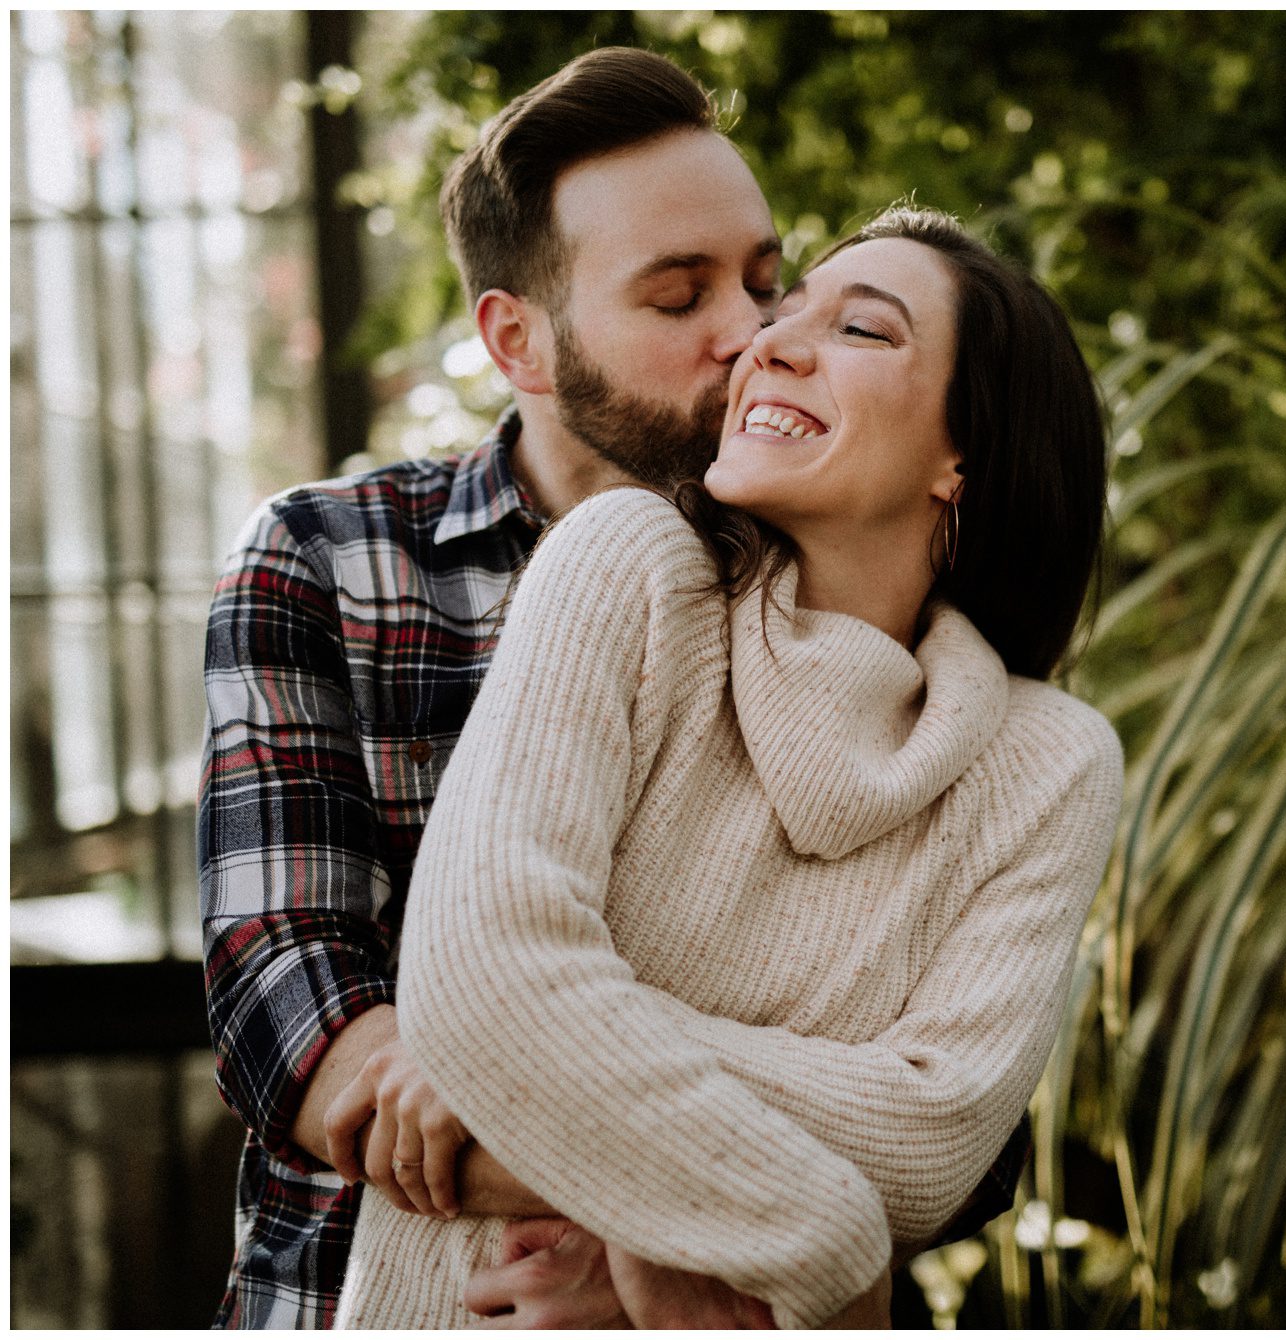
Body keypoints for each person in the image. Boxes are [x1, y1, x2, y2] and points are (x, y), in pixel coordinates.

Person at [198, 48, 1023, 1329]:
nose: (752, 332)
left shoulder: (870, 605)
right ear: (516, 338)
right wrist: (669, 1194)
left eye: (763, 278)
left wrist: (620, 1179)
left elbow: (955, 1122)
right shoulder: (329, 559)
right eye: (678, 295)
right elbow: (289, 1001)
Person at [328, 204, 1120, 1330]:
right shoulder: (625, 564)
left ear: (962, 455)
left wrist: (550, 1067)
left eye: (864, 330)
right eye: (788, 311)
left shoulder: (1046, 761)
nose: (771, 342)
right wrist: (836, 1250)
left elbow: (933, 1139)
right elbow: (492, 974)